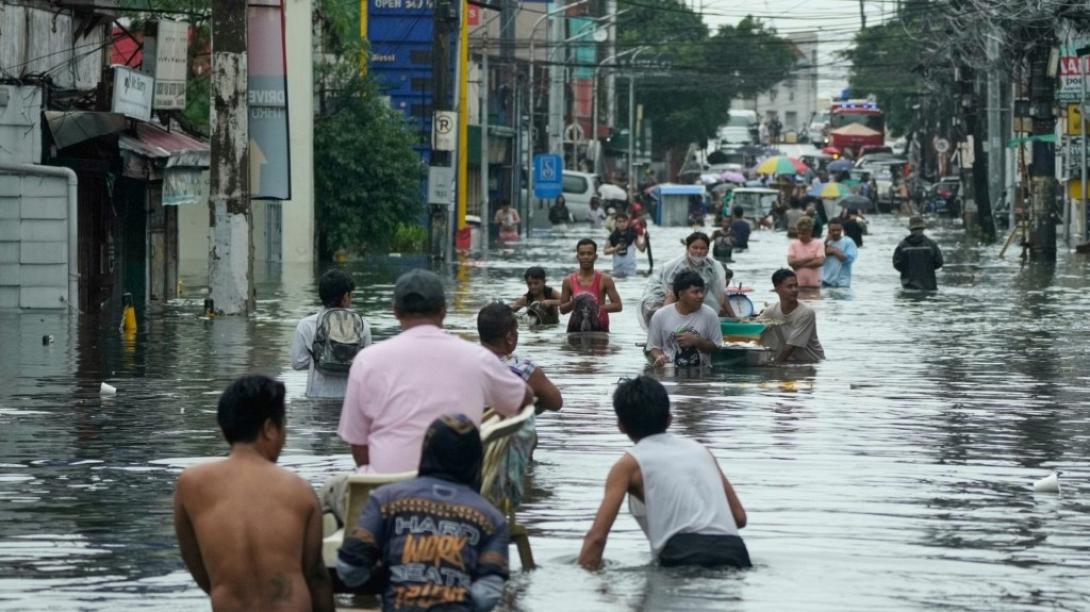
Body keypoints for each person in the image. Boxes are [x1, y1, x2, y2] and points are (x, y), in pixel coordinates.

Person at [338, 269, 532, 475]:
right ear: (443, 311)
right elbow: (524, 399)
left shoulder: (367, 361)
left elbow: (358, 444)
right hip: (457, 485)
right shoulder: (477, 358)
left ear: (395, 312)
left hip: (385, 488)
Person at [174, 375, 334, 612]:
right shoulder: (298, 490)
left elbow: (198, 567)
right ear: (270, 429)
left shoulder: (191, 485)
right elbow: (316, 576)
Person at [337, 415, 510, 612]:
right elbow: (486, 596)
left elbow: (349, 569)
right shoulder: (493, 520)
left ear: (426, 451)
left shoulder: (386, 500)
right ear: (477, 458)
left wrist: (391, 579)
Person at [578, 376, 749, 570]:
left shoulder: (628, 464)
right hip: (736, 553)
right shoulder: (701, 451)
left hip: (682, 556)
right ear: (669, 418)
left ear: (621, 426)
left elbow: (597, 538)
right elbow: (739, 518)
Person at [477, 303, 563, 506]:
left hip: (471, 452)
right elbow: (556, 402)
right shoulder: (524, 370)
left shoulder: (464, 364)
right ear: (510, 338)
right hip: (512, 459)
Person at [290, 269, 372, 398]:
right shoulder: (362, 324)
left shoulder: (306, 324)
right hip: (348, 398)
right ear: (345, 297)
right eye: (351, 295)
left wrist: (321, 357)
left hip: (317, 395)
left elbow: (297, 363)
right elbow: (366, 364)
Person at [646, 271, 723, 368]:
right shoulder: (660, 315)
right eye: (695, 292)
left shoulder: (710, 315)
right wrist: (659, 357)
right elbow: (653, 347)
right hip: (670, 371)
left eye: (701, 291)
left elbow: (717, 347)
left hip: (701, 373)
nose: (701, 296)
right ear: (681, 294)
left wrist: (697, 341)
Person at [758, 269, 825, 363]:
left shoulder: (806, 313)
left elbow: (791, 346)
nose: (794, 290)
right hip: (790, 361)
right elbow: (755, 328)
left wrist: (775, 364)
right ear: (777, 289)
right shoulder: (771, 311)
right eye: (790, 287)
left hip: (810, 363)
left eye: (796, 286)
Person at [559, 239, 623, 333]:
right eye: (582, 254)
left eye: (589, 253)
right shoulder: (568, 281)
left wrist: (594, 307)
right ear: (577, 257)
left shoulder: (605, 280)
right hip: (576, 329)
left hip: (600, 329)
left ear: (595, 257)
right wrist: (575, 302)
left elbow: (618, 306)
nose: (586, 257)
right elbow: (562, 309)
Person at [893, 215, 944, 291]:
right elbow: (939, 262)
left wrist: (907, 271)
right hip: (929, 286)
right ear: (923, 228)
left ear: (910, 229)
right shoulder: (931, 244)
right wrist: (928, 268)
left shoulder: (902, 245)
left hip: (908, 287)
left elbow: (897, 263)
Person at [604, 211, 646, 277]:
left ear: (627, 222)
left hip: (631, 269)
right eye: (619, 222)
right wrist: (616, 249)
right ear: (616, 223)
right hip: (617, 269)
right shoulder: (612, 236)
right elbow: (605, 251)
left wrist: (645, 238)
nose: (622, 224)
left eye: (624, 221)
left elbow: (642, 249)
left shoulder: (633, 235)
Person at [787, 217, 825, 289]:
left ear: (810, 232)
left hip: (814, 285)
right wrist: (809, 258)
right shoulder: (793, 244)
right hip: (798, 285)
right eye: (799, 233)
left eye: (803, 233)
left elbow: (820, 262)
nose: (800, 236)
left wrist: (798, 265)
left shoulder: (819, 243)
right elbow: (790, 262)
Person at [822, 219, 858, 288]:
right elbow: (818, 257)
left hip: (843, 283)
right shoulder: (824, 242)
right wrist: (826, 242)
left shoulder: (848, 242)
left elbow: (848, 260)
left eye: (838, 230)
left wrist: (834, 251)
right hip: (825, 282)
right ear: (828, 230)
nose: (836, 232)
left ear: (842, 229)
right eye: (833, 230)